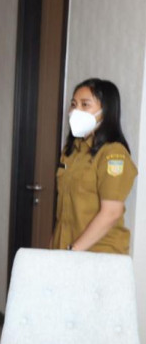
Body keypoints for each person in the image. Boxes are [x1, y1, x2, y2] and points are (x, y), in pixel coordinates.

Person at [52, 78, 137, 253]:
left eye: (85, 105)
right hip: (67, 251)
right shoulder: (72, 150)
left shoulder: (113, 154)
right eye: (74, 105)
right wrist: (52, 251)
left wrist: (73, 250)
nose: (76, 111)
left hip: (98, 254)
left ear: (106, 111)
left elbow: (111, 212)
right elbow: (63, 214)